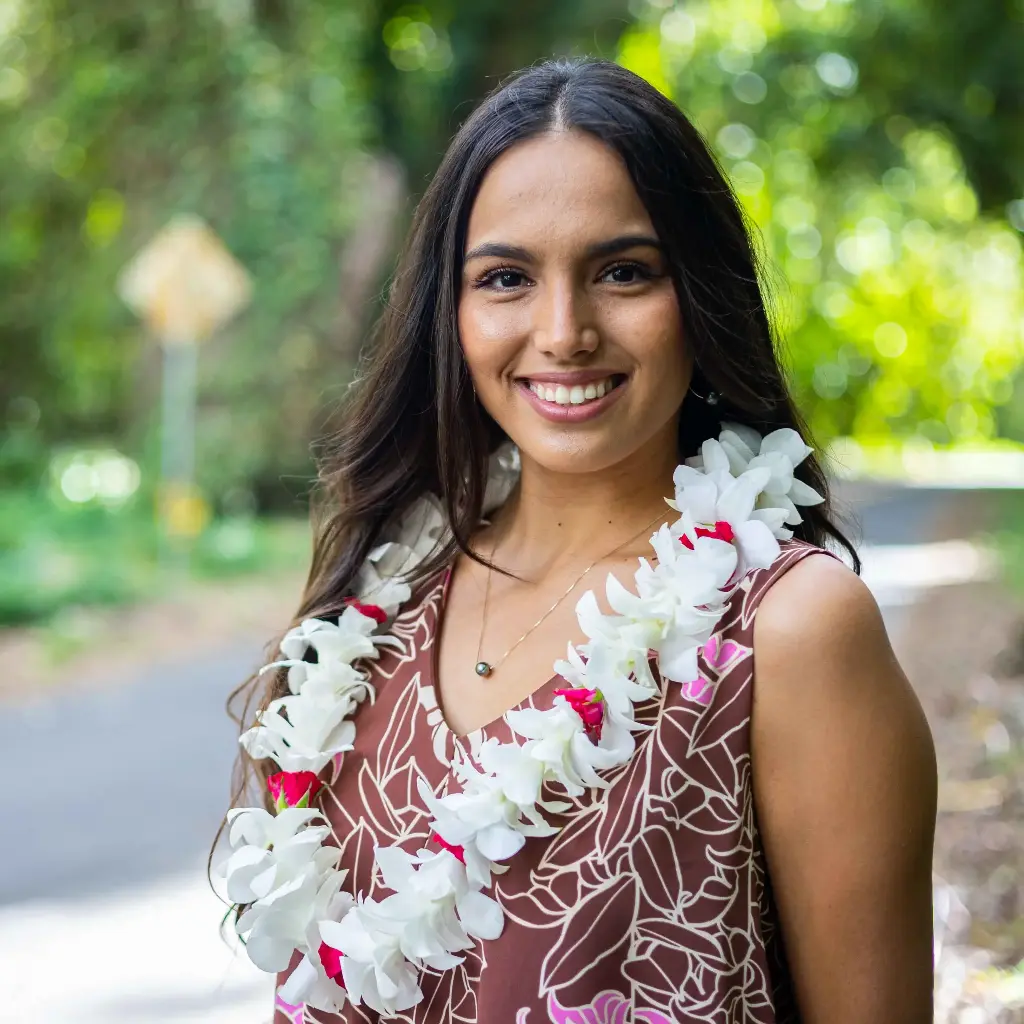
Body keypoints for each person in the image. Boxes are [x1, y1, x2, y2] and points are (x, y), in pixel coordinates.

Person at [221, 58, 937, 1023]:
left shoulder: (790, 634)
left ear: (701, 294)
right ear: (455, 310)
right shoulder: (376, 614)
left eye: (623, 272)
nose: (564, 332)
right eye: (508, 277)